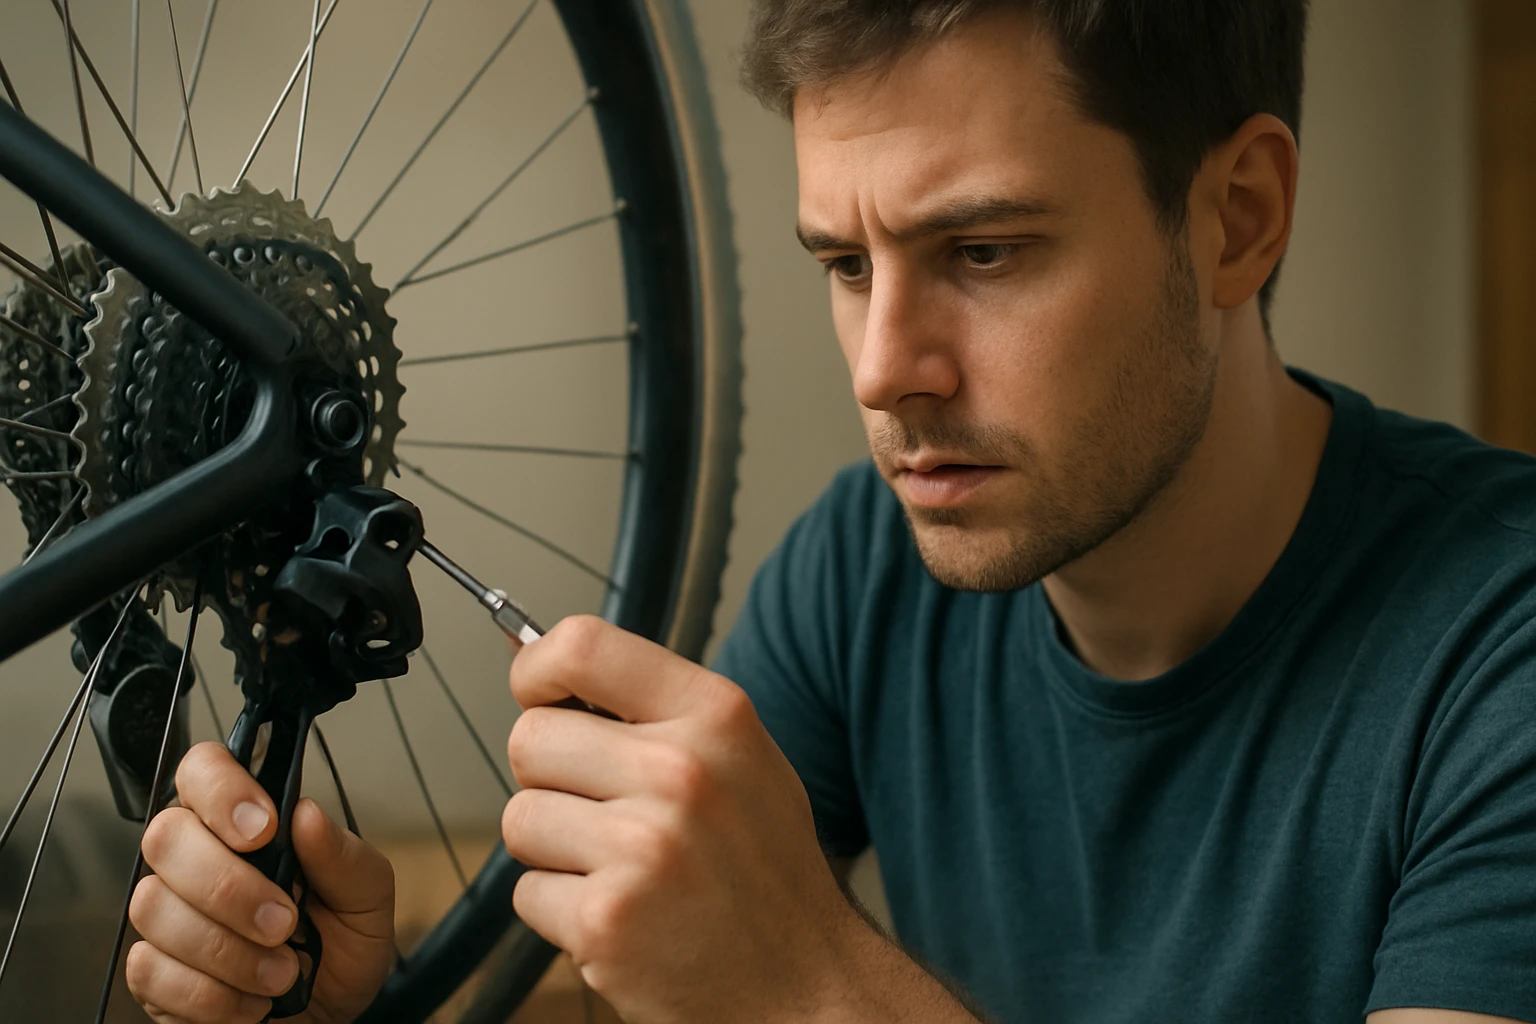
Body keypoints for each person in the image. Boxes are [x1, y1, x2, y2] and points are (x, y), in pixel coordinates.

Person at [124, 2, 1536, 1022]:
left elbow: (772, 981)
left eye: (982, 251)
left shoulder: (1501, 652)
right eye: (847, 263)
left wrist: (810, 990)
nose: (884, 374)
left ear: (1237, 217)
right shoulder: (869, 568)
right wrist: (350, 1007)